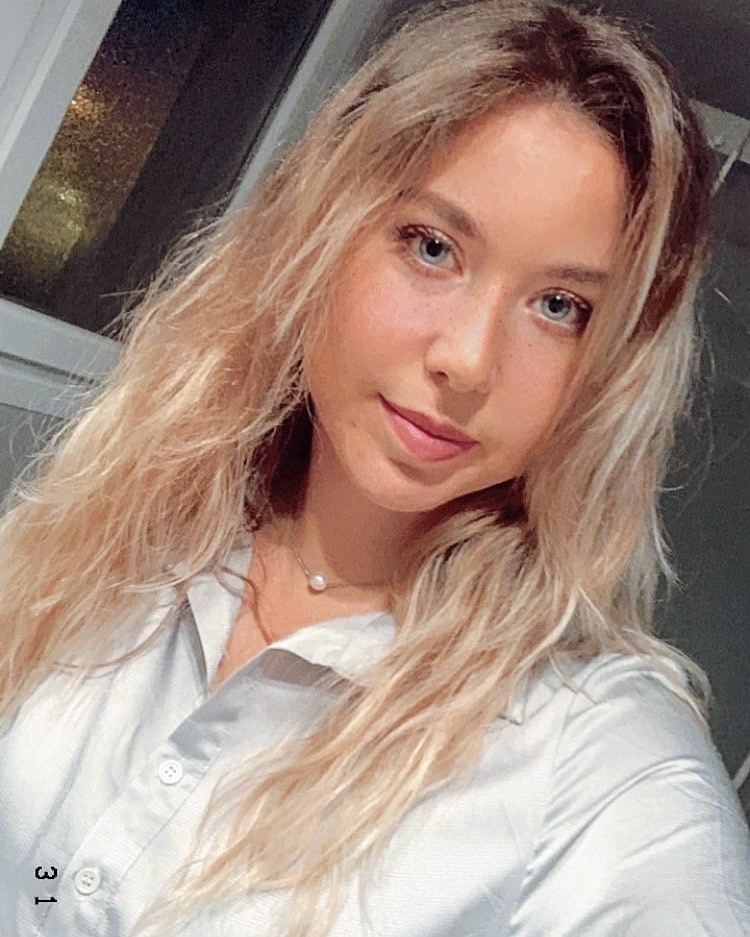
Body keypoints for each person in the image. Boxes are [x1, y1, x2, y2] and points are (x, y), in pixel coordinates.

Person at [0, 1, 748, 935]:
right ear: (323, 227)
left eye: (560, 306)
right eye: (433, 247)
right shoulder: (124, 521)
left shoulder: (597, 763)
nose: (468, 359)